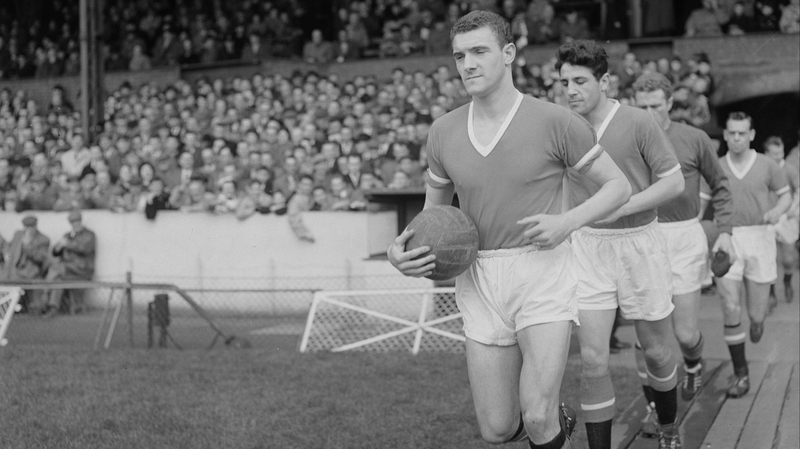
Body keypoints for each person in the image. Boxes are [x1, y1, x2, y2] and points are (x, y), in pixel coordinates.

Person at [388, 12, 631, 449]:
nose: (468, 64)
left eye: (480, 51)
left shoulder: (555, 122)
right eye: (460, 55)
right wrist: (401, 253)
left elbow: (618, 187)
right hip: (478, 278)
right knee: (498, 429)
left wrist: (567, 222)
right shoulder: (443, 133)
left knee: (535, 417)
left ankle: (548, 421)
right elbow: (430, 219)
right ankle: (558, 419)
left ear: (508, 53)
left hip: (542, 270)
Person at [557, 40, 685, 449]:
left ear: (605, 81)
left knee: (658, 354)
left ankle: (668, 429)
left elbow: (674, 182)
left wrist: (621, 205)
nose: (571, 90)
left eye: (580, 81)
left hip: (639, 244)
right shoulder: (562, 125)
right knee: (593, 359)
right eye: (564, 82)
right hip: (588, 246)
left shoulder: (638, 122)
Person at [631, 72, 736, 433]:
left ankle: (693, 364)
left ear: (669, 104)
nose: (648, 113)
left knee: (686, 333)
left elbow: (721, 186)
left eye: (655, 106)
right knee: (645, 340)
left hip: (683, 237)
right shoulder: (625, 138)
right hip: (639, 239)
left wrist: (725, 233)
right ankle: (654, 410)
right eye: (641, 106)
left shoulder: (693, 138)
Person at [710, 112, 792, 398]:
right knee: (730, 305)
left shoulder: (768, 165)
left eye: (742, 133)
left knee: (755, 313)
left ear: (752, 134)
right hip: (728, 237)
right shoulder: (717, 166)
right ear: (725, 134)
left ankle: (757, 323)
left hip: (760, 237)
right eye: (731, 133)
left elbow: (785, 195)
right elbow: (704, 204)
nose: (736, 138)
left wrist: (777, 211)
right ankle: (740, 373)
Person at [763, 136, 799, 305]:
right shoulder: (762, 168)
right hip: (768, 219)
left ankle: (787, 281)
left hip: (786, 219)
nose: (778, 156)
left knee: (788, 259)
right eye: (774, 153)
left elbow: (799, 191)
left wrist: (792, 209)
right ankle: (771, 293)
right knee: (769, 258)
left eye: (781, 152)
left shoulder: (790, 169)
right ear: (766, 153)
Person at [42, 210, 97, 318]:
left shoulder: (89, 234)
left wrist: (68, 244)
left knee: (56, 268)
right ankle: (53, 308)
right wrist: (58, 247)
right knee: (57, 280)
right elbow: (55, 253)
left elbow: (84, 249)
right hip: (67, 270)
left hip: (82, 269)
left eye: (77, 222)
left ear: (81, 221)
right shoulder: (67, 235)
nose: (75, 224)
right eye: (73, 223)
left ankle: (45, 293)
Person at [1, 215, 51, 313]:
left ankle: (10, 307)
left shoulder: (43, 239)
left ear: (36, 226)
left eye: (31, 227)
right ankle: (5, 308)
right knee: (4, 278)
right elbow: (10, 247)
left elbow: (40, 259)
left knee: (12, 279)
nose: (28, 230)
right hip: (13, 269)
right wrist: (7, 253)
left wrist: (28, 246)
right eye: (26, 227)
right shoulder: (18, 234)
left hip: (30, 271)